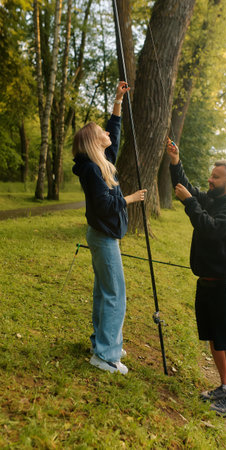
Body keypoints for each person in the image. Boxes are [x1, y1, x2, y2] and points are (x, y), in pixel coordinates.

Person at [167, 139, 226, 417]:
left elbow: (212, 229)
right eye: (211, 175)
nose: (210, 180)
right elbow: (187, 189)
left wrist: (190, 203)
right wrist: (175, 161)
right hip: (207, 283)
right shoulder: (211, 199)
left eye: (215, 177)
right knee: (214, 339)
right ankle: (224, 388)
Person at [72, 81, 146, 375]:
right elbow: (103, 205)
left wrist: (118, 101)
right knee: (115, 293)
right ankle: (105, 355)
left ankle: (103, 342)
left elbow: (113, 133)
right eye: (100, 132)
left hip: (103, 236)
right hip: (103, 237)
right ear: (93, 140)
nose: (107, 133)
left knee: (104, 292)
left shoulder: (100, 162)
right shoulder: (92, 170)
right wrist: (130, 198)